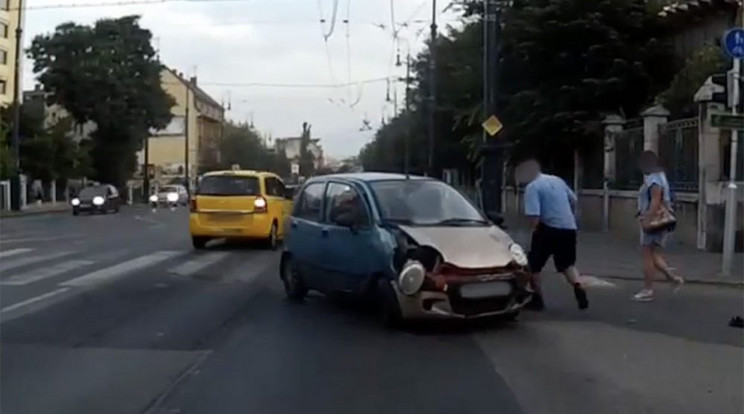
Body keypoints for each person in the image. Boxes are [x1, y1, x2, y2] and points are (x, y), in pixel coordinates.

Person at [518, 159, 588, 311]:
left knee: (533, 266)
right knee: (566, 264)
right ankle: (578, 285)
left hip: (547, 229)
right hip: (569, 228)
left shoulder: (532, 187)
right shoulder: (557, 180)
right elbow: (573, 200)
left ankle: (537, 299)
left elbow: (534, 217)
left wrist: (534, 234)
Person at [633, 150, 684, 301]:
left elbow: (655, 201)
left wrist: (647, 220)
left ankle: (648, 290)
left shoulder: (655, 179)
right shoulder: (659, 176)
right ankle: (673, 279)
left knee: (647, 255)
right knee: (654, 254)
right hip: (657, 219)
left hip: (654, 220)